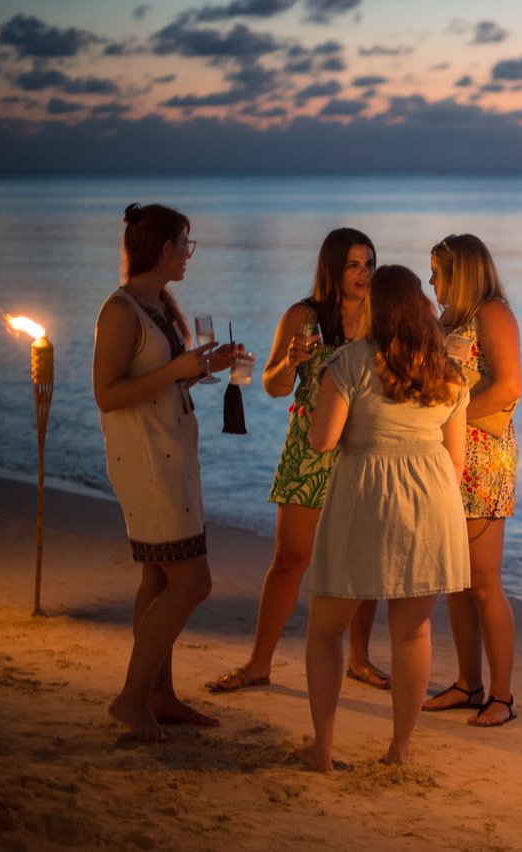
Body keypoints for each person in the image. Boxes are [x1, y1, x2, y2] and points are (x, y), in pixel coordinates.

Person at [294, 264, 470, 770]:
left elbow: (323, 440)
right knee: (413, 631)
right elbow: (456, 461)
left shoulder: (350, 361)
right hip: (430, 494)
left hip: (365, 493)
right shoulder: (449, 371)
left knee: (327, 629)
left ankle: (323, 750)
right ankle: (399, 750)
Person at [209, 228, 389, 693]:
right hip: (309, 449)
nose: (363, 274)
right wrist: (290, 360)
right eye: (353, 265)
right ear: (333, 268)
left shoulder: (380, 317)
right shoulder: (303, 316)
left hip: (364, 449)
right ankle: (259, 662)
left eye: (368, 264)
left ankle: (360, 659)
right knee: (291, 558)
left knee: (364, 561)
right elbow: (272, 384)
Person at [93, 202, 241, 742]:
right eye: (186, 243)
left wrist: (202, 367)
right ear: (164, 249)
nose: (189, 254)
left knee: (157, 578)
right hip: (147, 463)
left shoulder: (157, 303)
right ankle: (131, 698)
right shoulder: (120, 311)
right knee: (193, 581)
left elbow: (159, 380)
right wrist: (176, 369)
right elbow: (107, 395)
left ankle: (159, 695)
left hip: (173, 454)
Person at [421, 234, 522, 727]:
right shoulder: (447, 319)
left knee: (482, 581)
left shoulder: (492, 313)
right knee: (455, 582)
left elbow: (510, 385)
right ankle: (467, 683)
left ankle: (501, 696)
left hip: (482, 459)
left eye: (438, 272)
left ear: (461, 272)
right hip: (446, 456)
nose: (432, 280)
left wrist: (452, 420)